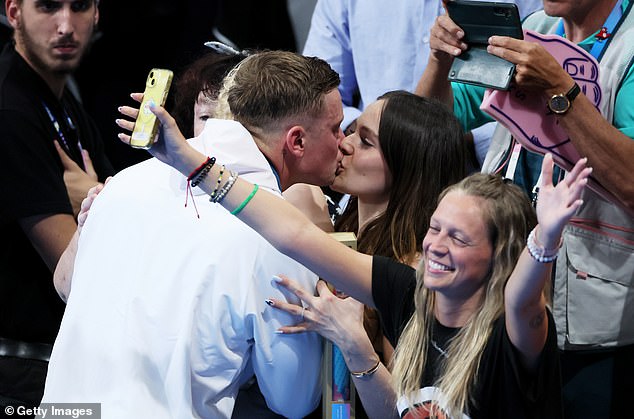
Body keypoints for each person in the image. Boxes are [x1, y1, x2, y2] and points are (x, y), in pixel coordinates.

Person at [115, 98, 592, 417]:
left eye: (460, 239)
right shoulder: (407, 289)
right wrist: (190, 163)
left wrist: (545, 239)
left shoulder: (513, 337)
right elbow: (292, 233)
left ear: (498, 257)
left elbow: (523, 298)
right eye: (435, 228)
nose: (437, 246)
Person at [43, 50, 343, 419]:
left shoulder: (122, 183)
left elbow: (70, 289)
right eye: (335, 128)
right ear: (296, 141)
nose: (343, 141)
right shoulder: (277, 234)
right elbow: (293, 400)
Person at [415, 0, 634, 416]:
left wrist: (561, 90)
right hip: (495, 306)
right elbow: (431, 127)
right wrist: (439, 62)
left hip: (592, 324)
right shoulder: (536, 26)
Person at [0, 0, 114, 410]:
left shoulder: (62, 101)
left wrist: (96, 196)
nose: (66, 25)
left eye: (79, 7)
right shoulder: (10, 110)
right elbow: (80, 274)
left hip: (56, 358)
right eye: (49, 7)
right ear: (14, 13)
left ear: (97, 13)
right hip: (23, 370)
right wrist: (101, 200)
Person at [302, 0, 543, 165]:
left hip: (480, 180)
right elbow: (314, 95)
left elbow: (540, 90)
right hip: (370, 177)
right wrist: (368, 140)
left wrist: (464, 144)